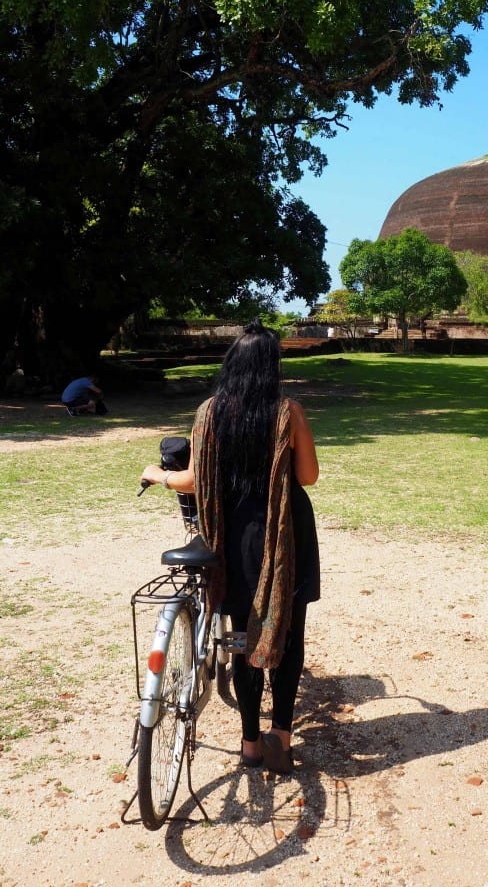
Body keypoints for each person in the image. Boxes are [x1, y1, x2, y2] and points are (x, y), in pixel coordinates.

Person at [140, 319, 319, 775]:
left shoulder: (209, 413)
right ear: (272, 367)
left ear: (232, 366)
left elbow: (193, 480)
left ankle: (250, 743)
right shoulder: (288, 412)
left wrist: (157, 475)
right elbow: (308, 477)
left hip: (235, 537)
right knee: (288, 632)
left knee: (242, 638)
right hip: (285, 535)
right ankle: (281, 734)